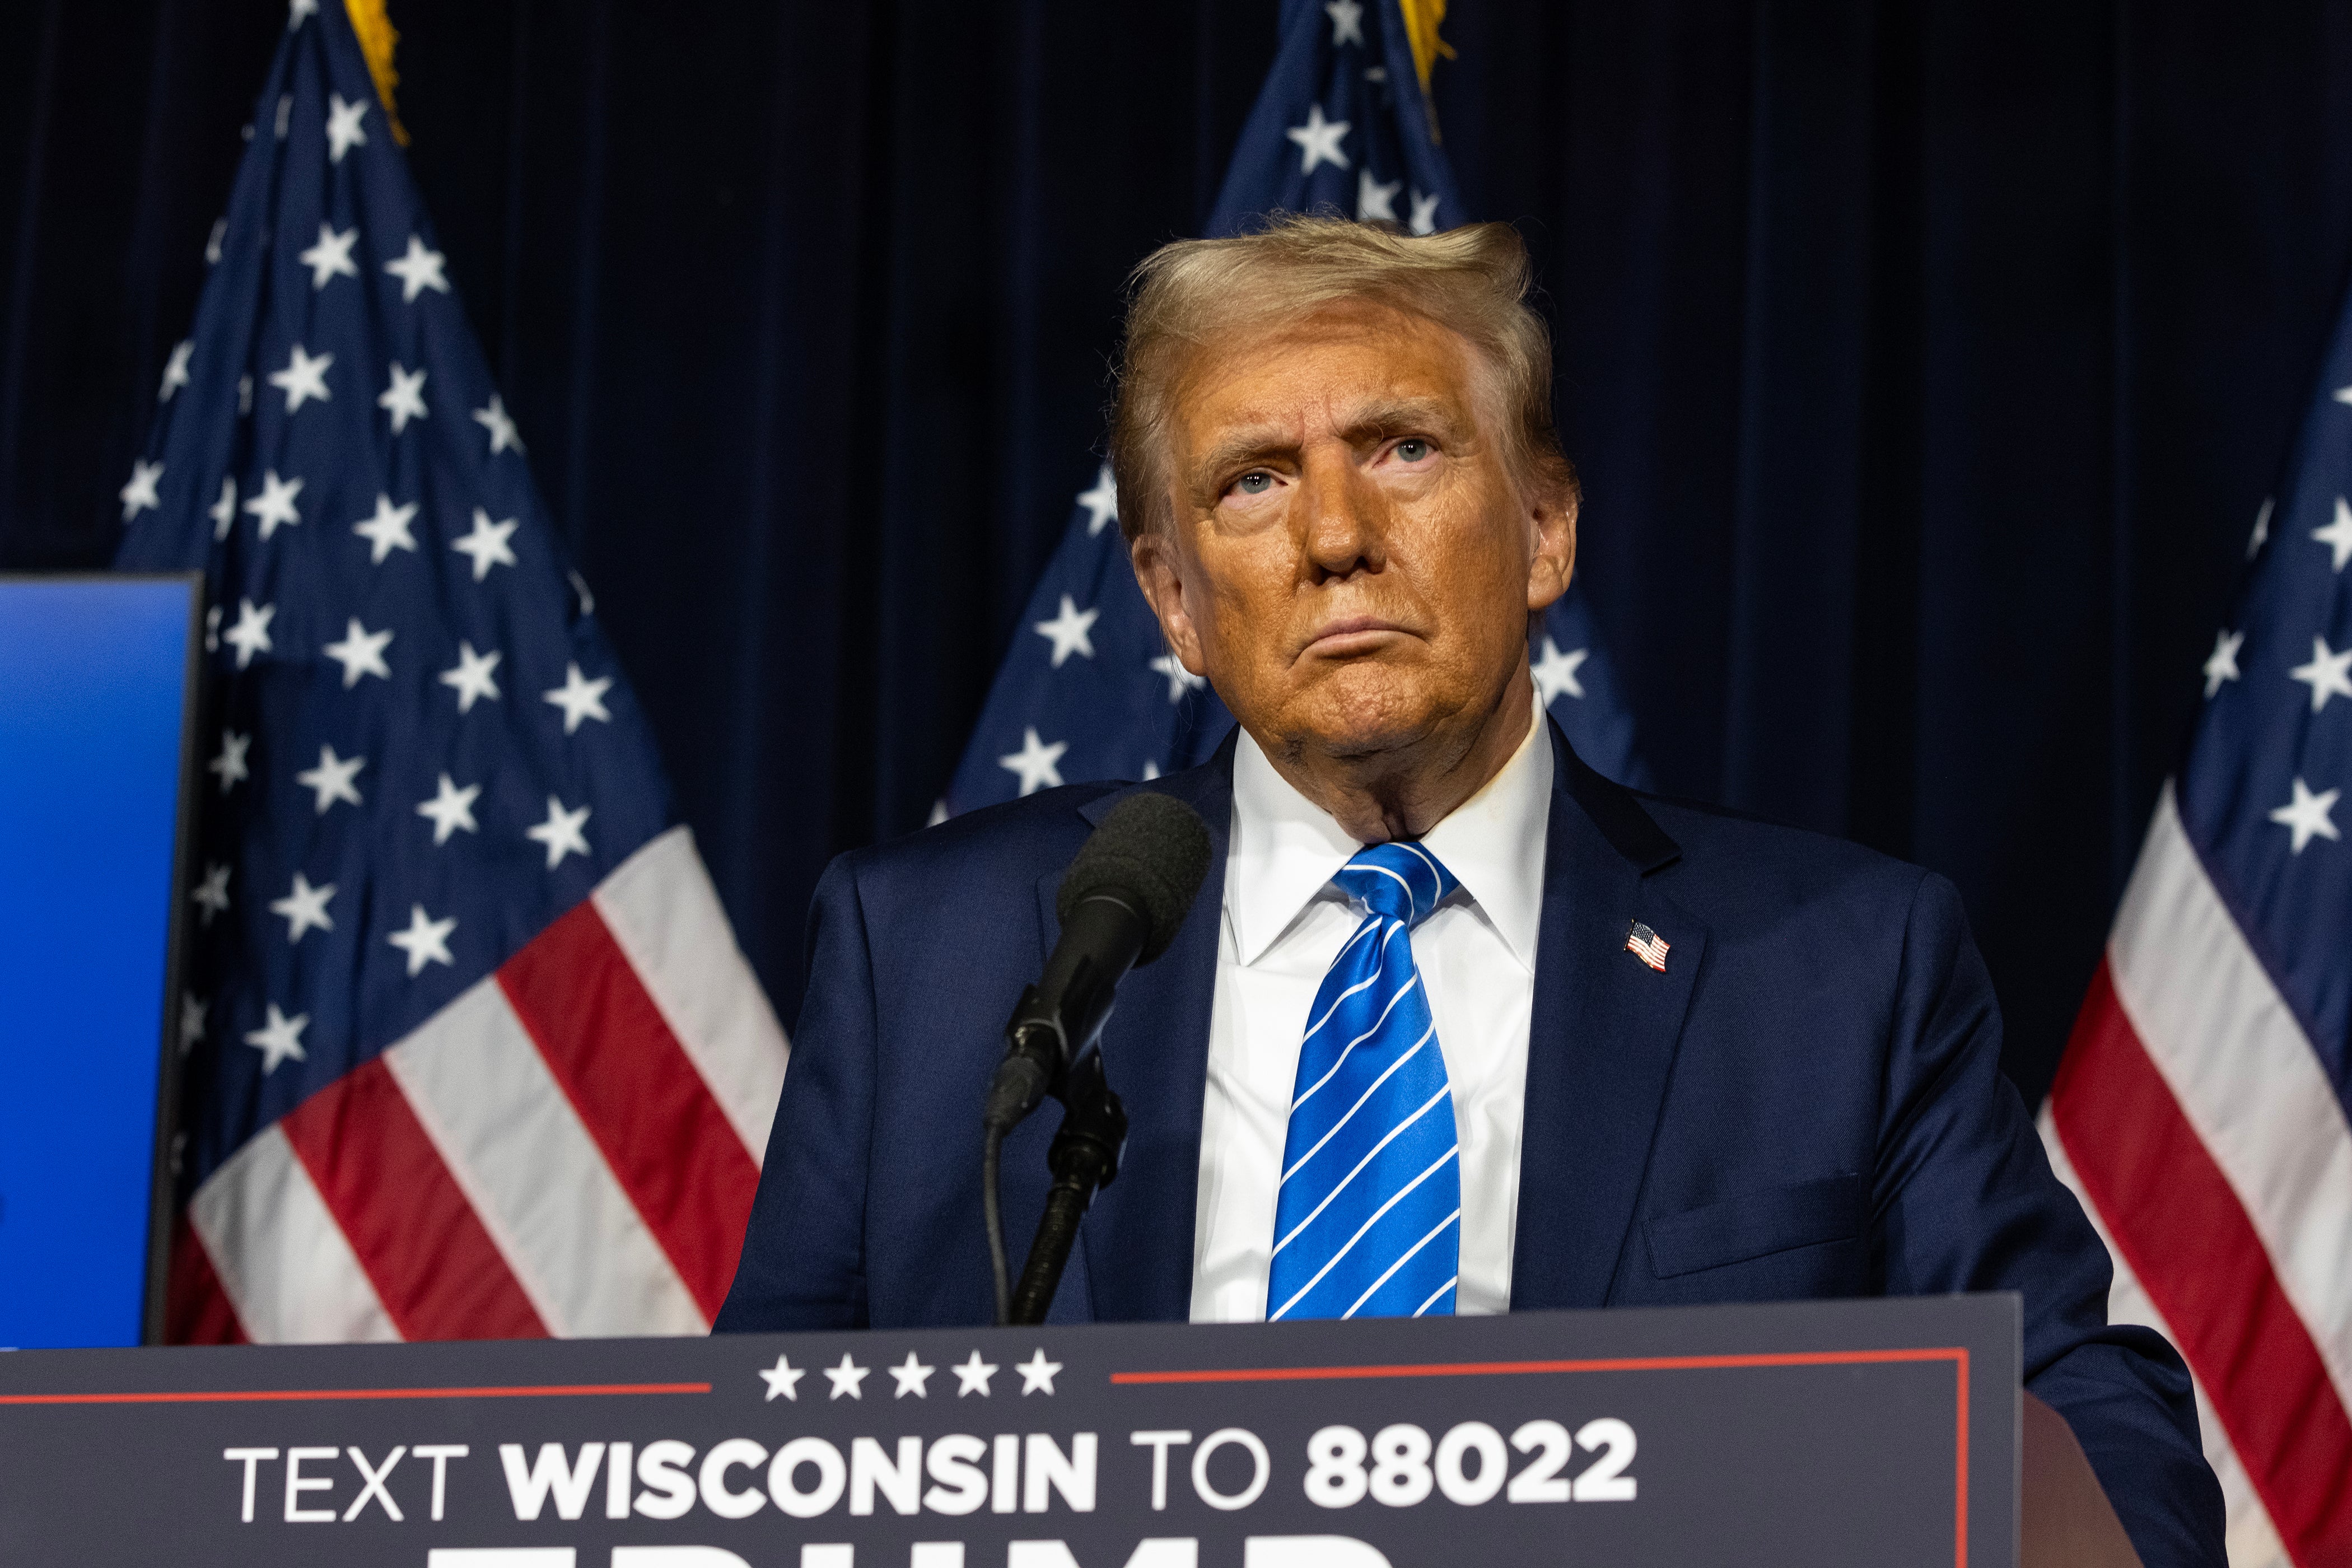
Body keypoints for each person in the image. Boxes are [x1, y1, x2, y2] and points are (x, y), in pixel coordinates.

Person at [717, 216, 2221, 1565]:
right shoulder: (936, 949)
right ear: (1174, 597)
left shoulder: (1838, 965)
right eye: (1252, 482)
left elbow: (2090, 1423)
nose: (1334, 538)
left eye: (1403, 450)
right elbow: (743, 1476)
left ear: (1546, 530)